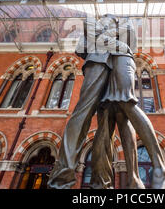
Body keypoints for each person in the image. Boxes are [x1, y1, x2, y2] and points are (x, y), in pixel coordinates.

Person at [47, 14, 135, 189]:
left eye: (114, 23)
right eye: (109, 21)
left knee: (107, 127)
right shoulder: (91, 21)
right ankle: (61, 178)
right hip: (97, 62)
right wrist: (118, 43)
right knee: (83, 112)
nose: (113, 24)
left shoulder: (122, 27)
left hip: (116, 68)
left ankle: (101, 183)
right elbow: (95, 40)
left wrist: (119, 36)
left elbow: (131, 45)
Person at [89, 16, 165, 189]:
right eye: (102, 21)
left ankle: (161, 169)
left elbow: (126, 39)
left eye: (106, 20)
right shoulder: (108, 30)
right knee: (117, 117)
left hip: (122, 60)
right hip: (108, 67)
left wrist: (102, 35)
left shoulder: (123, 23)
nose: (103, 22)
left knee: (126, 101)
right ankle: (134, 180)